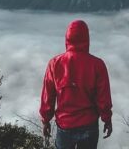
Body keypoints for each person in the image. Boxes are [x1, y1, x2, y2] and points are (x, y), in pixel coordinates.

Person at [39, 20, 113, 149]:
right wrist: (107, 119)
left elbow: (48, 97)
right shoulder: (97, 65)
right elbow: (103, 98)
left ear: (67, 39)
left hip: (64, 125)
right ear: (87, 38)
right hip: (89, 124)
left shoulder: (54, 64)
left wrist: (46, 120)